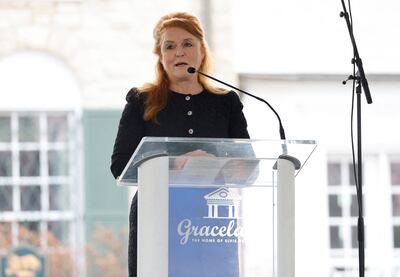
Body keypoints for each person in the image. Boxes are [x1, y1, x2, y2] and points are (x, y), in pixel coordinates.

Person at [110, 11, 250, 277]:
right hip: (156, 219)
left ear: (201, 51)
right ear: (161, 57)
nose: (179, 53)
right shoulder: (141, 101)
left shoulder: (226, 103)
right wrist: (176, 163)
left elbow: (247, 164)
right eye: (169, 46)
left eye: (187, 44)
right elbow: (120, 165)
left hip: (213, 224)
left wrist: (217, 164)